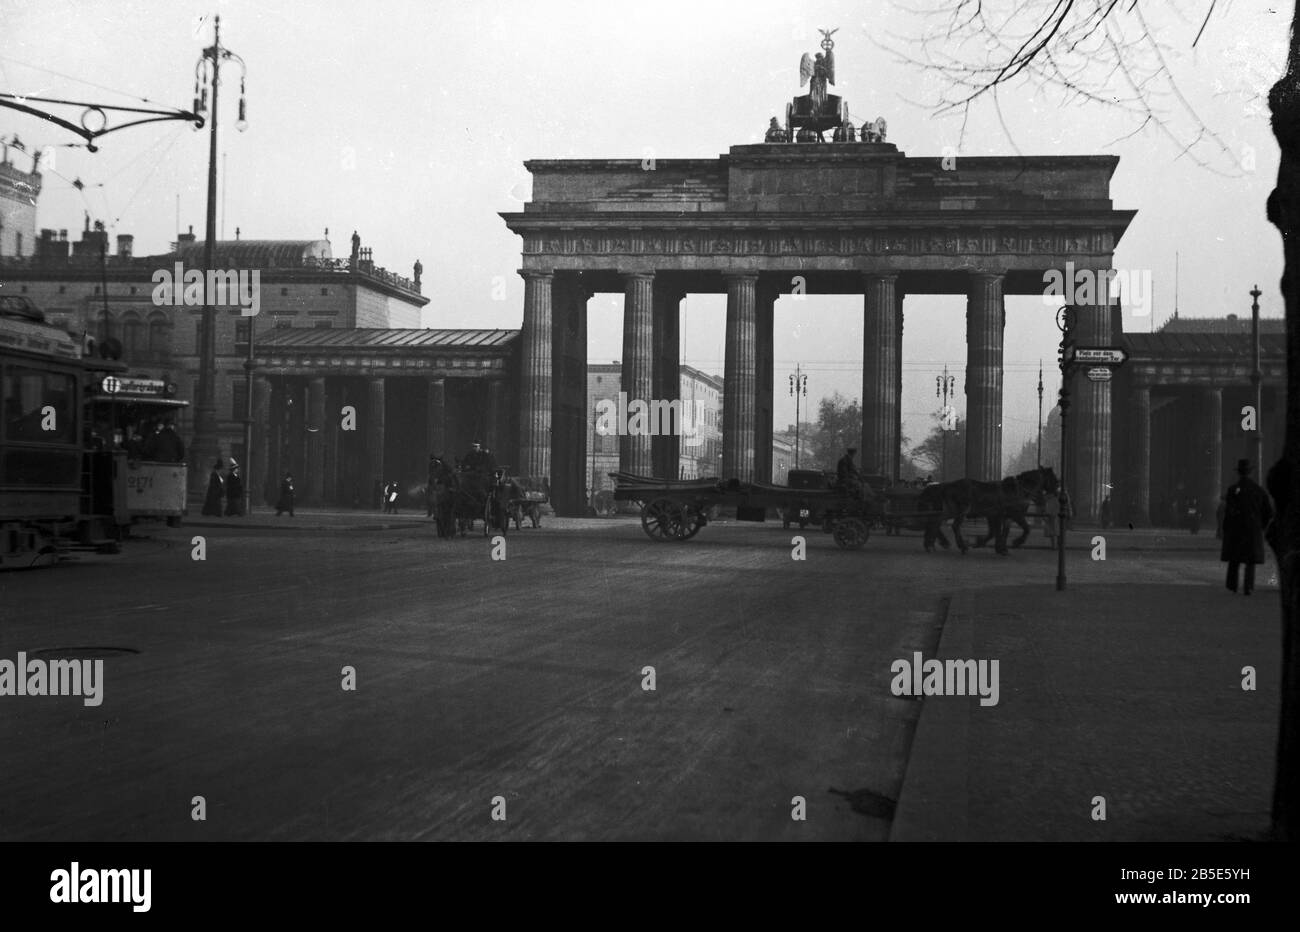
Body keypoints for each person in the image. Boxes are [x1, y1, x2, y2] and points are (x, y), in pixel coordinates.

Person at [1221, 459, 1273, 596]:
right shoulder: (1259, 491)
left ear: (1239, 472)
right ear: (1251, 472)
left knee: (1234, 559)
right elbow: (1269, 512)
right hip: (1252, 529)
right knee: (1250, 561)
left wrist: (1226, 528)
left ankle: (1232, 586)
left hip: (1236, 530)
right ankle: (1248, 587)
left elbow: (1229, 512)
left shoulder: (1233, 490)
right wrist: (1261, 526)